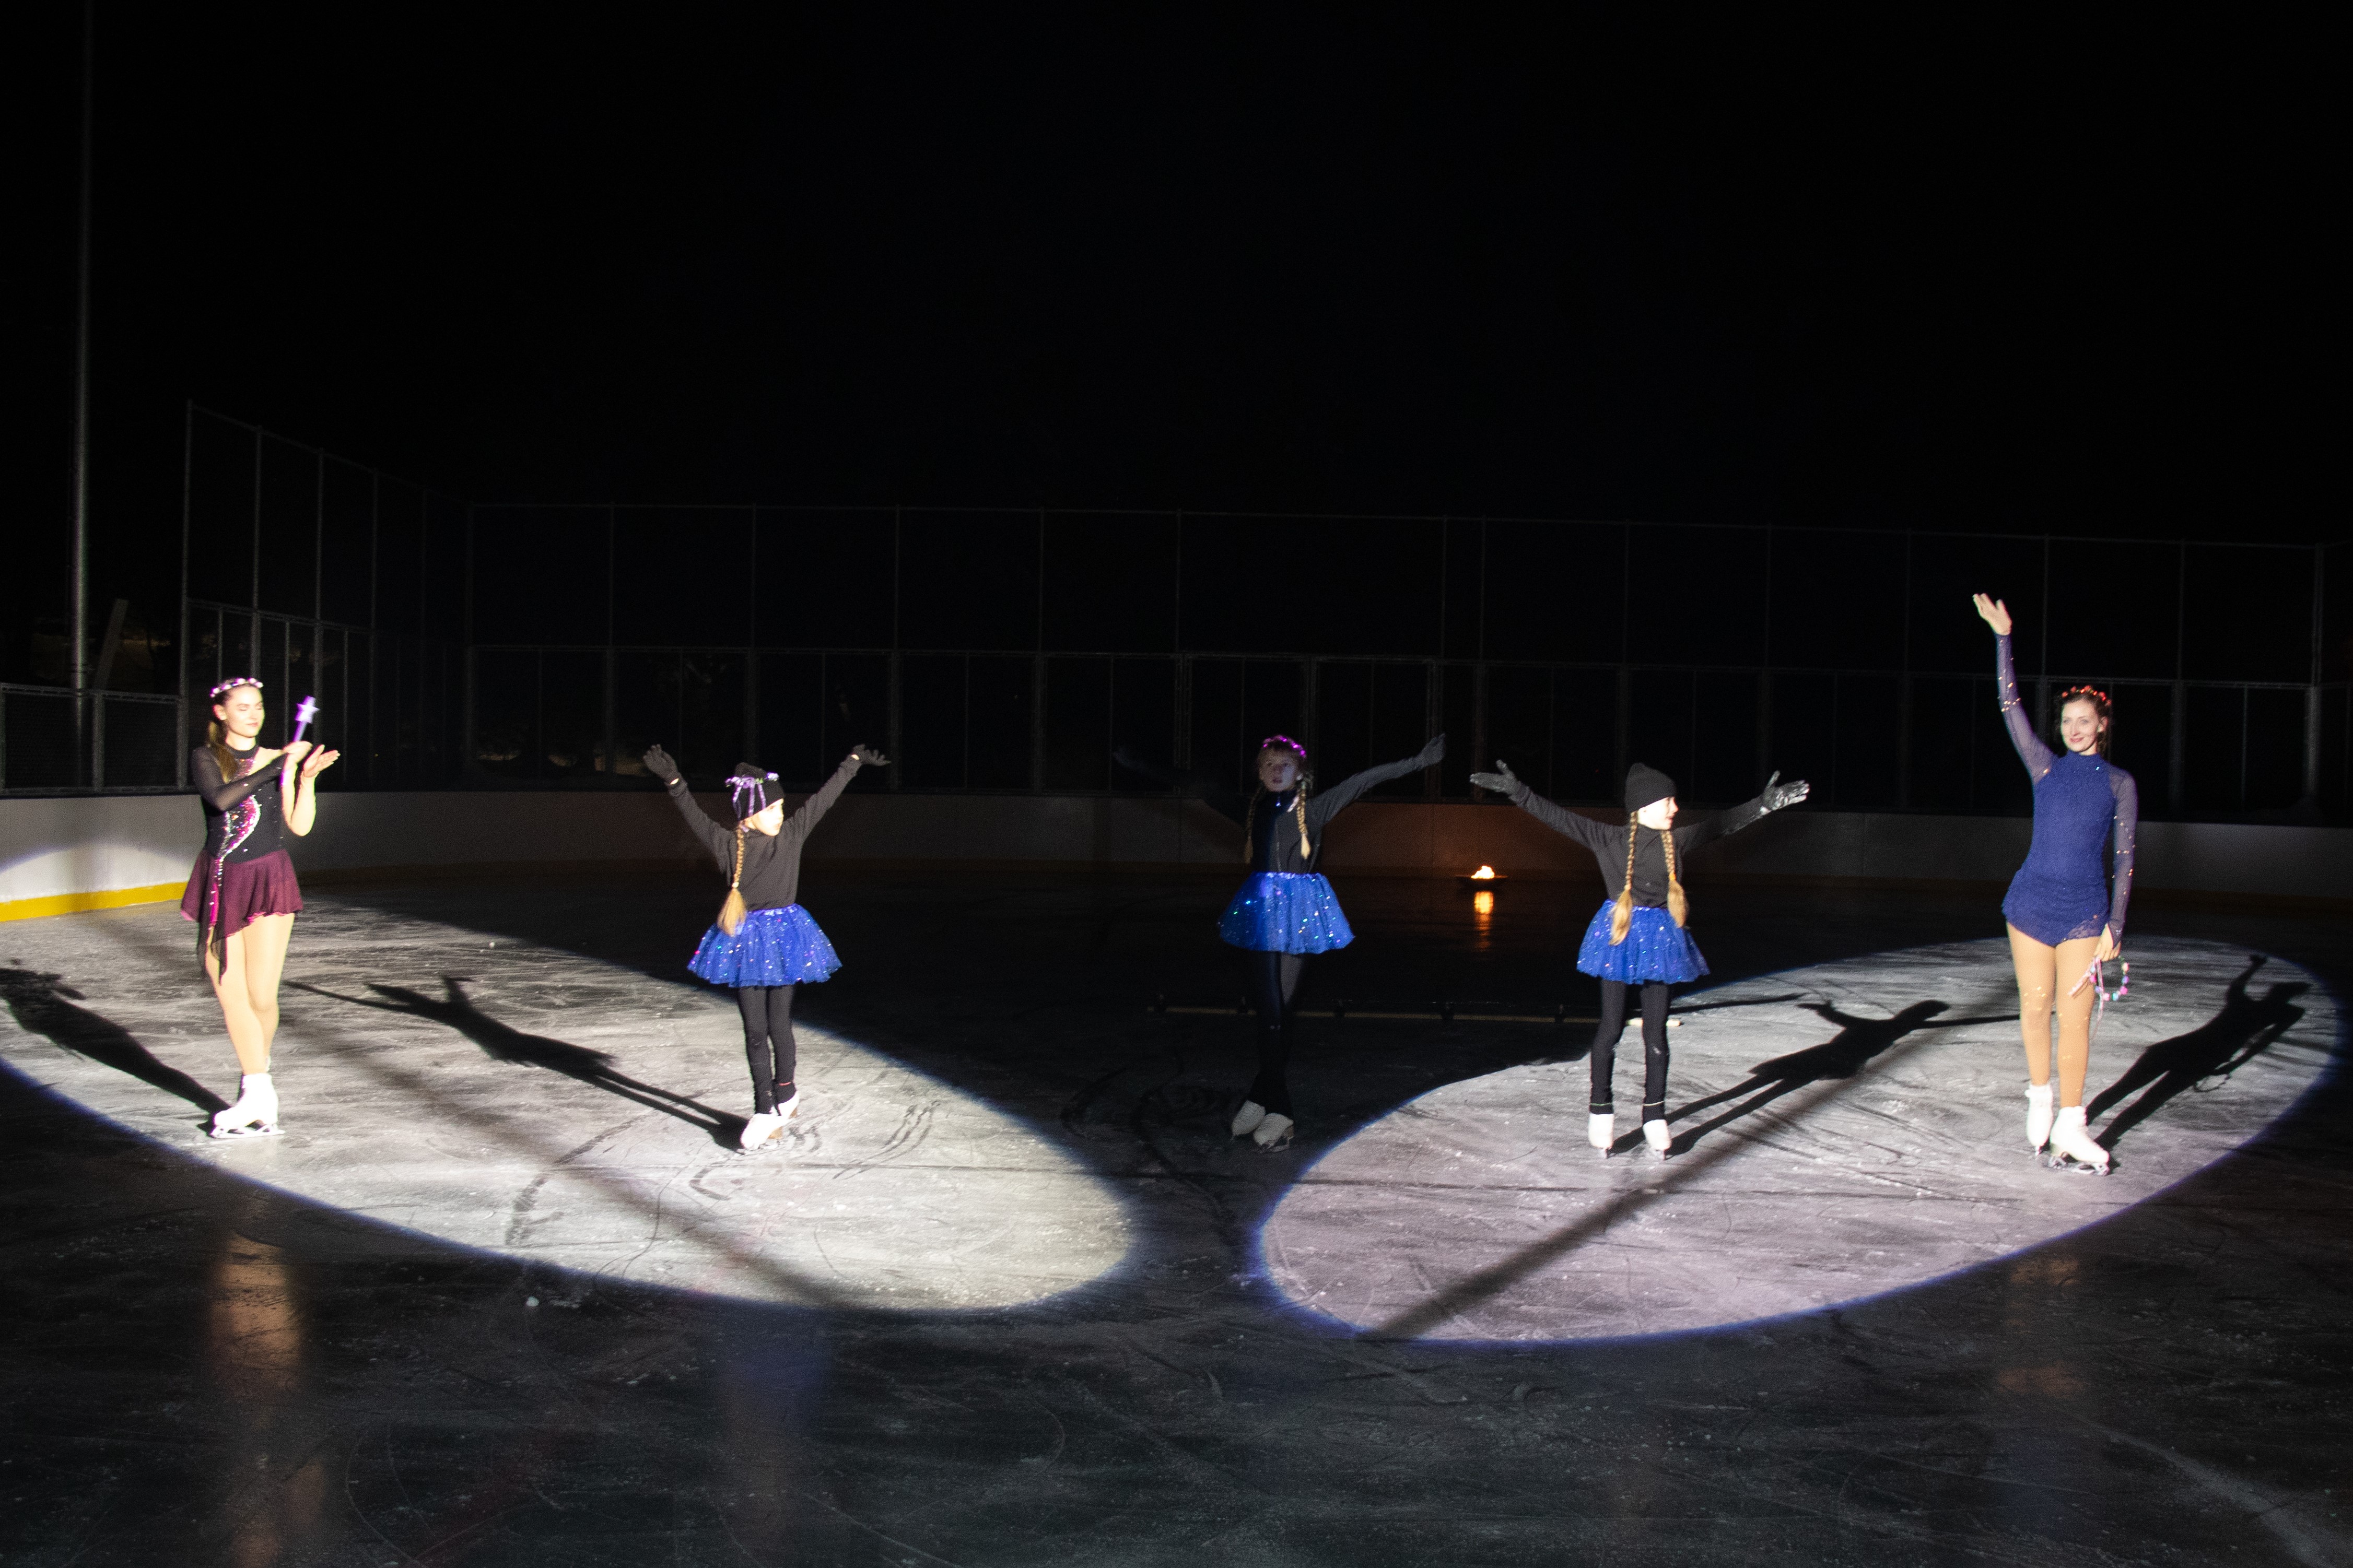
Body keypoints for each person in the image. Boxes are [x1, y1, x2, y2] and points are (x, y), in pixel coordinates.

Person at [1123, 732, 1445, 1150]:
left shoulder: (1315, 807)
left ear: (1300, 773)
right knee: (1270, 1012)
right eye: (1269, 764)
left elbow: (1365, 779)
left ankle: (1266, 1098)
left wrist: (1418, 762)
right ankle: (1276, 1103)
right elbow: (1201, 787)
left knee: (1280, 1013)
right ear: (1259, 771)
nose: (1277, 771)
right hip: (1261, 912)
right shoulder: (1252, 808)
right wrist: (1143, 768)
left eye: (1285, 765)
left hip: (1301, 912)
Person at [1470, 758, 1807, 1157]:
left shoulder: (1676, 841)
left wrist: (1764, 805)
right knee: (1610, 1028)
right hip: (1618, 934)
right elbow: (1558, 818)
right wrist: (1518, 792)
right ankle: (1600, 1109)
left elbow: (1722, 825)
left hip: (1662, 938)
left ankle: (1654, 1115)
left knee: (1656, 1033)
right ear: (1644, 806)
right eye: (1668, 802)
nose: (1675, 809)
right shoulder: (1607, 839)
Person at [643, 742, 886, 1153]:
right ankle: (764, 1108)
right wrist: (673, 780)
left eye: (782, 808)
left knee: (779, 1024)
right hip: (743, 941)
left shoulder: (790, 835)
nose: (783, 814)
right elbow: (693, 815)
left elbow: (823, 800)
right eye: (774, 809)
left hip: (788, 936)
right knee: (755, 1032)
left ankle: (786, 1090)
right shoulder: (728, 846)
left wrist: (853, 763)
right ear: (753, 814)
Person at [1973, 593, 2137, 1173]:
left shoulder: (2119, 783)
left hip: (2084, 912)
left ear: (2101, 726)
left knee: (2075, 1015)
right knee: (2034, 1003)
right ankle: (2039, 1094)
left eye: (2083, 721)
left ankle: (2072, 1120)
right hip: (2031, 902)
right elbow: (2008, 704)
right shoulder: (2043, 768)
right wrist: (2003, 639)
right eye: (2066, 721)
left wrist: (2115, 924)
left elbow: (2124, 855)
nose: (2072, 728)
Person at [180, 677, 340, 1137]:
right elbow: (220, 799)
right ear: (221, 713)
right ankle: (258, 1089)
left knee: (261, 995)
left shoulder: (279, 759)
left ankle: (257, 1087)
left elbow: (300, 825)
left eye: (259, 706)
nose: (253, 714)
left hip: (269, 876)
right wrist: (275, 766)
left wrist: (304, 778)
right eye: (243, 707)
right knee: (227, 984)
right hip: (223, 879)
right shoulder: (206, 757)